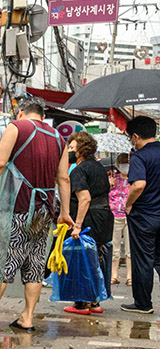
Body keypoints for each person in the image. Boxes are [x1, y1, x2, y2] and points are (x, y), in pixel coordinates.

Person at [0, 100, 73, 332]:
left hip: (18, 208)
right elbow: (64, 179)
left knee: (2, 263)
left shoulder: (17, 127)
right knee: (35, 266)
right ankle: (27, 317)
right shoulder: (60, 140)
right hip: (45, 212)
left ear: (21, 113)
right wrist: (66, 213)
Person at [64, 131, 113, 314]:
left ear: (81, 151)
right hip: (104, 217)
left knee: (81, 259)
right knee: (95, 260)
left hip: (89, 219)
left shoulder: (79, 170)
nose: (69, 151)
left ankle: (81, 303)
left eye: (71, 148)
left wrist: (77, 226)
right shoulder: (99, 168)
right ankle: (95, 301)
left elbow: (84, 198)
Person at [123, 116, 160, 313]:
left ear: (136, 136)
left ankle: (143, 304)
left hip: (144, 216)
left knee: (143, 260)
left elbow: (138, 185)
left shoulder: (139, 156)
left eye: (131, 138)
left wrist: (128, 204)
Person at [108, 151, 132, 286]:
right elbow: (107, 196)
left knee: (130, 249)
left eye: (127, 163)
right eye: (123, 163)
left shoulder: (135, 179)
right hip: (115, 216)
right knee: (115, 248)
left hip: (129, 216)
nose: (125, 166)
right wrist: (109, 185)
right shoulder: (113, 179)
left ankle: (130, 276)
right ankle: (114, 275)